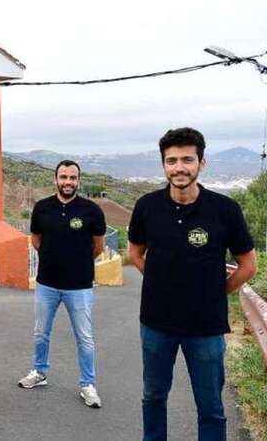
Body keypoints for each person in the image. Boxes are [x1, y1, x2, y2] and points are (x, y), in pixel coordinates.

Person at [128, 128, 256, 441]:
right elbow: (135, 253)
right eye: (172, 160)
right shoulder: (147, 206)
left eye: (187, 159)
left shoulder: (225, 210)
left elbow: (248, 265)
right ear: (163, 165)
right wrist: (161, 282)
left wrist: (214, 292)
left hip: (207, 328)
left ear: (201, 162)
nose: (179, 167)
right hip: (156, 325)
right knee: (153, 397)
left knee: (210, 407)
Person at [17, 160, 106, 409]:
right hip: (47, 284)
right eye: (63, 177)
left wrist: (76, 262)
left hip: (79, 286)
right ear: (55, 179)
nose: (68, 182)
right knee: (41, 333)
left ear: (79, 180)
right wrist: (52, 257)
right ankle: (39, 372)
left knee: (84, 337)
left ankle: (88, 384)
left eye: (72, 178)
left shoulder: (91, 211)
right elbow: (36, 240)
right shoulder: (42, 208)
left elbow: (98, 246)